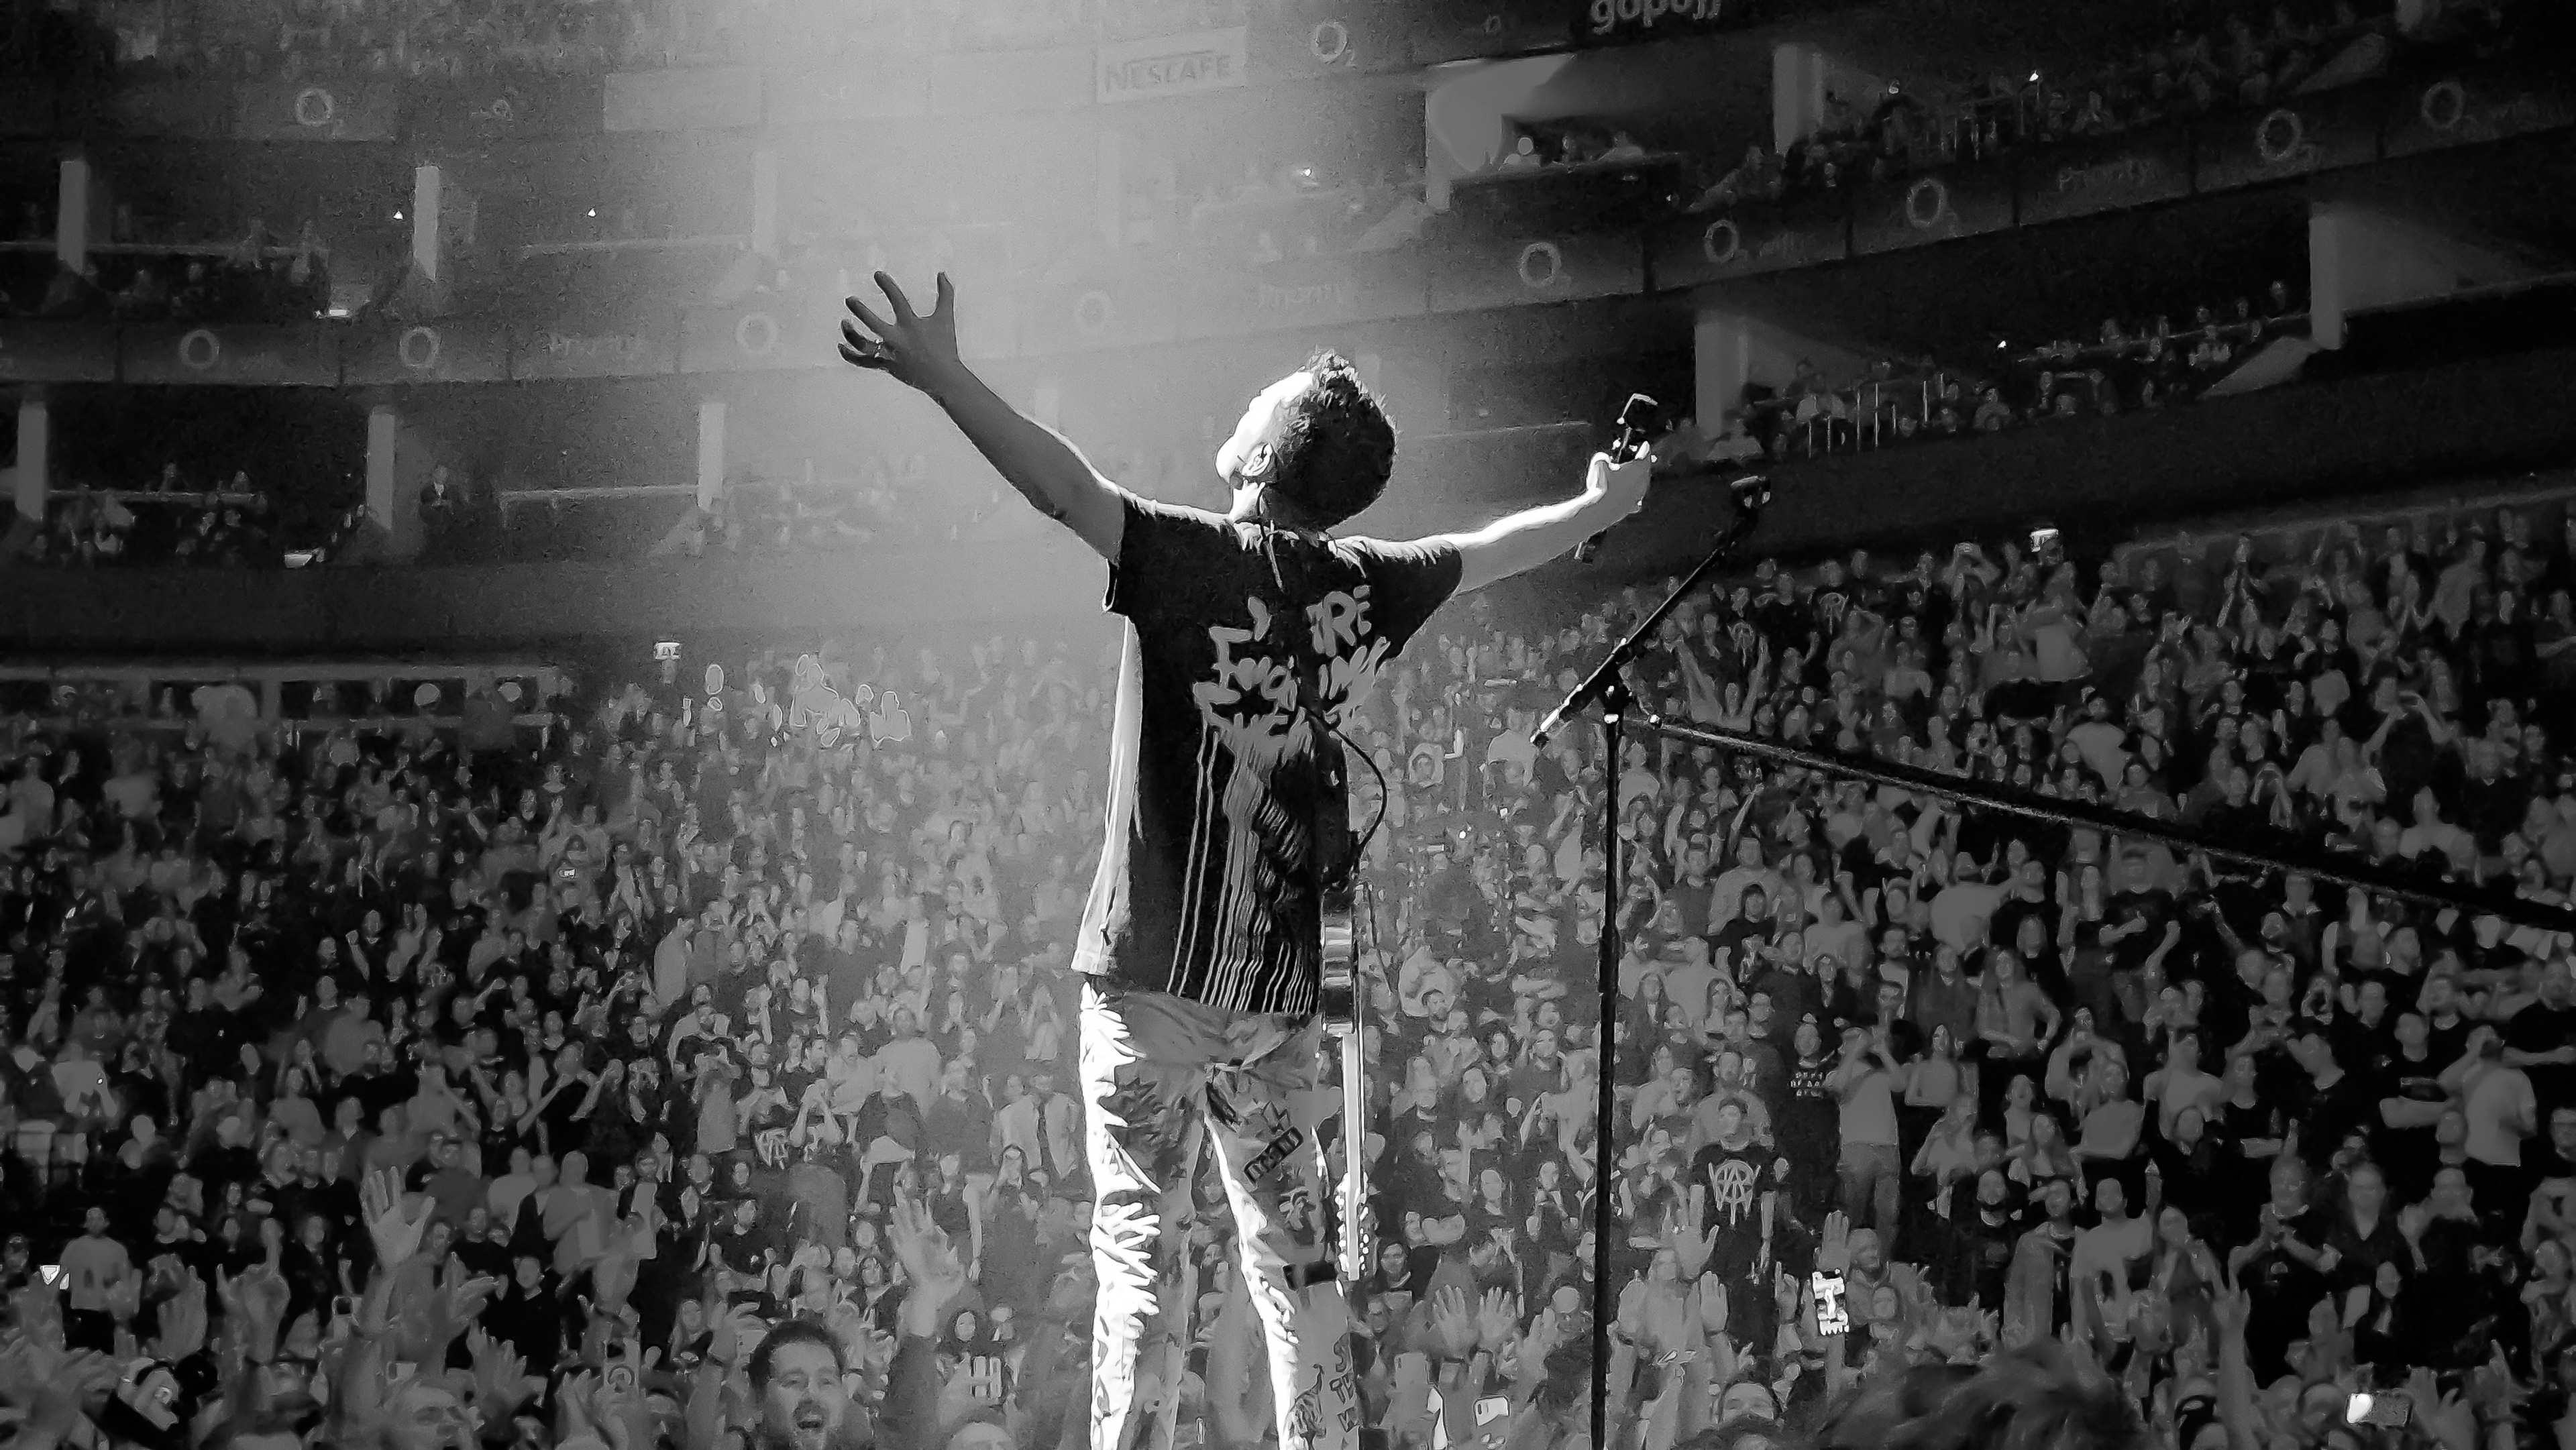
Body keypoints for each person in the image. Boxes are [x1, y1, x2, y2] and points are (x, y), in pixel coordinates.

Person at [838, 269, 1654, 1450]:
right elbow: (1493, 549)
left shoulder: (1188, 554)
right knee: (1298, 1268)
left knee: (1144, 1261)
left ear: (1265, 456)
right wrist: (1603, 505)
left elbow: (1059, 485)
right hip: (1276, 1005)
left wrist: (945, 378)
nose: (1248, 399)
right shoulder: (1367, 584)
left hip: (1155, 983)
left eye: (1264, 399)